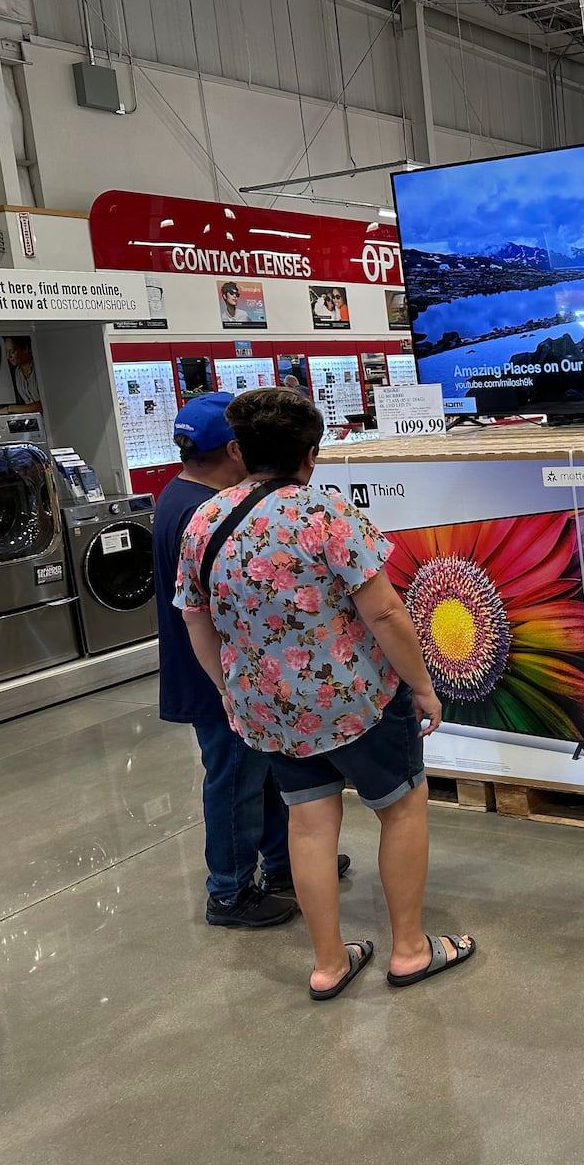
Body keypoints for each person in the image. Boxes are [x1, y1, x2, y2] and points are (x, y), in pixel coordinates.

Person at [176, 387, 476, 1000]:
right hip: (357, 703)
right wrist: (422, 685)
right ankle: (412, 951)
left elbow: (195, 620)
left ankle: (329, 964)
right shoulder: (329, 516)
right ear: (311, 454)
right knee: (400, 809)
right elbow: (387, 613)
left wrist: (231, 694)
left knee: (308, 826)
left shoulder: (202, 522)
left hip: (272, 711)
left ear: (238, 449)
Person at [152, 393, 348, 928]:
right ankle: (229, 891)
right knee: (235, 781)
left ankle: (285, 863)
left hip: (216, 672)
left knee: (262, 777)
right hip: (220, 677)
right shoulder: (205, 512)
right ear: (235, 450)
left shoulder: (177, 495)